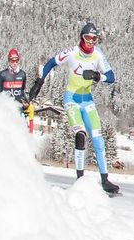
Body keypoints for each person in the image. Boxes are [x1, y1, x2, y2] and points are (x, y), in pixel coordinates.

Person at [28, 22, 120, 196]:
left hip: (88, 100)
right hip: (71, 99)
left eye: (95, 39)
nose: (91, 42)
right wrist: (39, 82)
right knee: (80, 134)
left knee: (98, 139)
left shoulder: (98, 54)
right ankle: (80, 179)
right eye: (88, 38)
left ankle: (105, 179)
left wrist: (98, 76)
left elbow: (112, 77)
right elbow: (50, 63)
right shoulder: (72, 53)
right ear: (81, 37)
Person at [0, 48, 34, 132]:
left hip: (18, 107)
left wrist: (26, 101)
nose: (14, 63)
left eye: (16, 61)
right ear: (9, 61)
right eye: (12, 61)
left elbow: (22, 91)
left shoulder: (22, 74)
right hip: (6, 106)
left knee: (21, 129)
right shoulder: (3, 74)